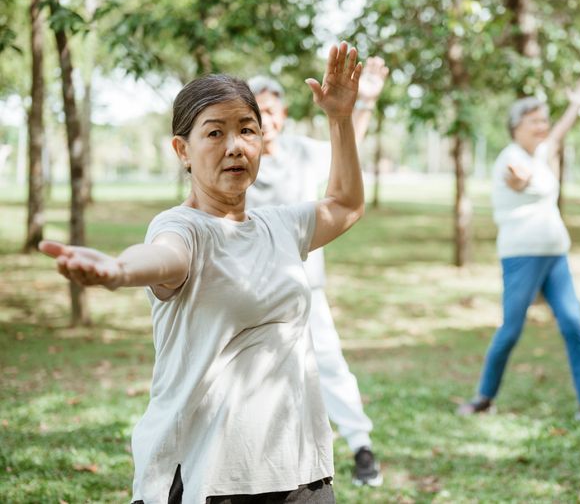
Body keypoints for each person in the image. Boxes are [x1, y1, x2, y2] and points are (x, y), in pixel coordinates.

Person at [39, 42, 366, 503]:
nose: (235, 147)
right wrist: (116, 270)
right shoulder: (183, 229)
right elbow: (161, 258)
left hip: (299, 472)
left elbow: (347, 203)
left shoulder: (281, 226)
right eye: (214, 134)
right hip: (209, 476)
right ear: (183, 150)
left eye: (246, 130)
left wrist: (340, 118)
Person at [246, 57, 389, 488]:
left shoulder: (303, 152)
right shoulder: (237, 158)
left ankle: (361, 447)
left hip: (306, 288)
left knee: (329, 365)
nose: (265, 119)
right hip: (253, 293)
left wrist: (362, 103)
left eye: (271, 110)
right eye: (256, 111)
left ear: (284, 114)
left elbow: (347, 150)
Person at [457, 77, 580, 427]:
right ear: (516, 127)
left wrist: (576, 103)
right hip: (521, 256)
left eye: (544, 120)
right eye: (535, 121)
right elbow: (518, 179)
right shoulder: (509, 160)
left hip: (556, 255)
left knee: (573, 325)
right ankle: (484, 396)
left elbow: (557, 135)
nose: (543, 126)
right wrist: (520, 180)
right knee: (511, 329)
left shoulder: (538, 153)